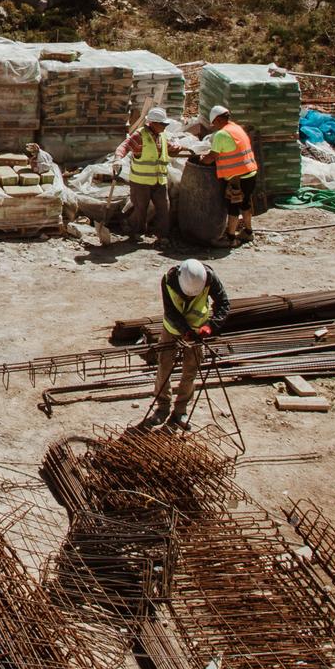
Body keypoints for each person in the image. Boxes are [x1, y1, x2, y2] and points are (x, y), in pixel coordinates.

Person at [142, 258, 230, 431]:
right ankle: (162, 408)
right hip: (172, 329)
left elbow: (224, 305)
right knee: (164, 367)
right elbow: (171, 311)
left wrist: (210, 326)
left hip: (198, 331)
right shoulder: (169, 279)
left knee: (191, 370)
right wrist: (184, 331)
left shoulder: (209, 277)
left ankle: (180, 410)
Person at [203, 104, 258, 245]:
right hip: (250, 172)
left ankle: (231, 238)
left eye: (214, 123)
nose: (214, 126)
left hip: (237, 178)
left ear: (218, 120)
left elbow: (212, 156)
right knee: (245, 203)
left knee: (233, 206)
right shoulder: (236, 128)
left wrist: (202, 159)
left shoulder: (221, 134)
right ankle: (248, 232)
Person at [120, 107, 172, 239]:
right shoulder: (139, 135)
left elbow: (169, 147)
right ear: (153, 123)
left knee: (164, 208)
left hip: (159, 180)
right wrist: (117, 159)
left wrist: (183, 148)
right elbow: (124, 146)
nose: (165, 127)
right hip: (141, 182)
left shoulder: (162, 135)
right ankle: (137, 233)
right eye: (163, 124)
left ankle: (163, 236)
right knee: (140, 209)